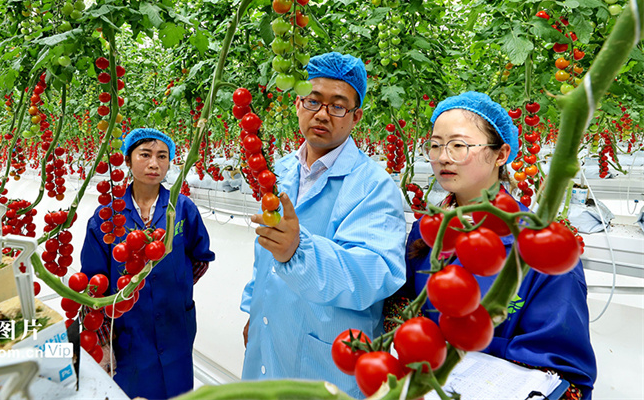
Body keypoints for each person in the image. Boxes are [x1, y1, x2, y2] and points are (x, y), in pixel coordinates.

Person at [392, 91, 597, 399]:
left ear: (500, 154)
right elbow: (402, 304)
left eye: (458, 145)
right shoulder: (426, 229)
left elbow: (564, 374)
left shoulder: (543, 249)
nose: (443, 157)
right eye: (435, 145)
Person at [240, 52, 407, 398]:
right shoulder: (281, 172)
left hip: (329, 358)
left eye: (338, 105)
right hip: (268, 338)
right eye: (313, 100)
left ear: (356, 116)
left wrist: (298, 251)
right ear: (298, 104)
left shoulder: (374, 186)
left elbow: (375, 272)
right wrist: (254, 309)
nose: (322, 114)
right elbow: (265, 254)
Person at [80, 127, 215, 400]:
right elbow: (92, 286)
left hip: (176, 327)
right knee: (133, 390)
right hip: (129, 334)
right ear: (127, 161)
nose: (154, 163)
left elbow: (200, 258)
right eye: (145, 154)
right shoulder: (106, 219)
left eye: (162, 156)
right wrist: (102, 341)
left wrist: (176, 285)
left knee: (179, 392)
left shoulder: (183, 209)